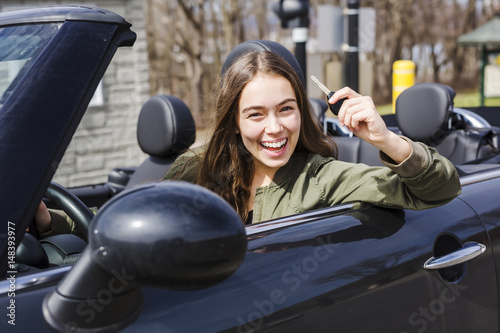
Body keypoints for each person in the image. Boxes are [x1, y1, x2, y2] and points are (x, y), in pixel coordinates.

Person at [36, 50, 461, 233]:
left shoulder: (324, 178)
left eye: (286, 109)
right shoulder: (198, 167)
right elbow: (129, 218)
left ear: (302, 112)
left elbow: (441, 189)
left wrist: (386, 139)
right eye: (255, 114)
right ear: (235, 124)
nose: (274, 129)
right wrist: (49, 221)